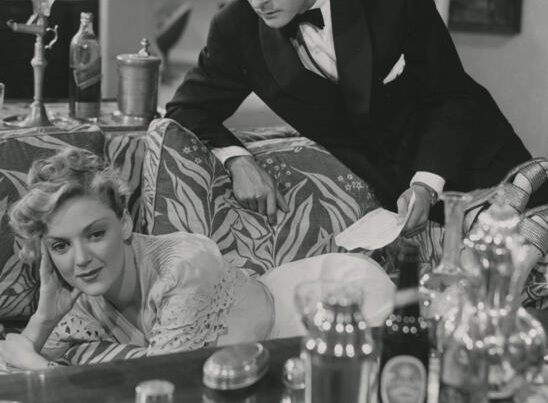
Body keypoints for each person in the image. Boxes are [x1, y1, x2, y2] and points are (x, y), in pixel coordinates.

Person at [166, 0, 547, 236]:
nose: (257, 0)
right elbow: (186, 109)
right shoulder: (236, 28)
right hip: (392, 197)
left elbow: (450, 95)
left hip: (477, 161)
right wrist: (237, 160)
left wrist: (427, 182)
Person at [0, 149, 393, 370]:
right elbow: (11, 367)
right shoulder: (83, 299)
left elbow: (164, 387)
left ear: (125, 223)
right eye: (61, 246)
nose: (81, 260)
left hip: (324, 307)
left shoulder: (182, 266)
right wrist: (44, 317)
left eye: (95, 234)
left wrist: (41, 367)